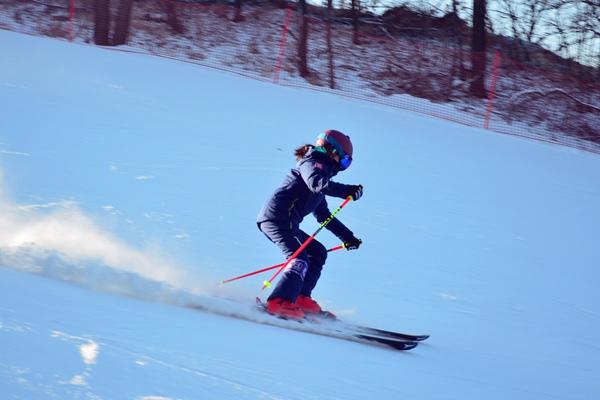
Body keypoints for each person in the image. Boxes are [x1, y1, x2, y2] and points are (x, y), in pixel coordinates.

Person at [256, 129, 363, 319]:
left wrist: (348, 237)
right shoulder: (311, 163)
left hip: (288, 223)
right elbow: (316, 183)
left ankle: (300, 297)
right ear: (333, 152)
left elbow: (324, 216)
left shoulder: (321, 176)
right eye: (345, 161)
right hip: (277, 219)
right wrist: (347, 190)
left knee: (317, 252)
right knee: (299, 258)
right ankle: (279, 302)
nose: (343, 166)